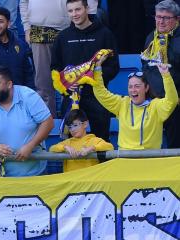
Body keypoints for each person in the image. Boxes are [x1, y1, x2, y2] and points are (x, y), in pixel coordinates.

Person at [51, 0, 119, 142]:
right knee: (68, 142)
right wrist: (65, 85)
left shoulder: (105, 34)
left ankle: (102, 165)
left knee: (101, 141)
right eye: (70, 11)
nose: (74, 14)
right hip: (71, 97)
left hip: (98, 96)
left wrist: (93, 76)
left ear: (87, 9)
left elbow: (114, 67)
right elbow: (55, 68)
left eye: (78, 10)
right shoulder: (63, 37)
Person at [20, 0, 98, 115]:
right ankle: (46, 121)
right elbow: (23, 2)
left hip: (67, 29)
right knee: (43, 83)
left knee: (71, 78)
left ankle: (70, 118)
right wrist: (26, 28)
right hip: (39, 32)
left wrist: (90, 16)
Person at [0, 66, 53, 177]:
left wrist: (31, 145)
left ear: (9, 84)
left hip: (36, 173)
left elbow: (48, 123)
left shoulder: (28, 96)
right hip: (1, 177)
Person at [92, 61, 178, 150]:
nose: (133, 90)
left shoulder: (155, 106)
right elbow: (100, 93)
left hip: (151, 160)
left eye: (137, 86)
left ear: (146, 88)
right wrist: (97, 69)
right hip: (126, 160)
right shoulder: (122, 103)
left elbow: (172, 100)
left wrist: (166, 76)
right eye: (130, 86)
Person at [141, 0, 180, 148]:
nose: (160, 21)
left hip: (176, 104)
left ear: (177, 19)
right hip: (154, 102)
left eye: (166, 18)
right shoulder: (151, 38)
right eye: (158, 17)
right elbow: (146, 66)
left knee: (175, 146)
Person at [49, 108, 113, 172]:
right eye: (70, 127)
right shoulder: (67, 143)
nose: (73, 129)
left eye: (75, 125)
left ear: (85, 124)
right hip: (71, 180)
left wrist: (91, 148)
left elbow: (110, 147)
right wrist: (65, 148)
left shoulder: (94, 140)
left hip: (89, 180)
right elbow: (52, 148)